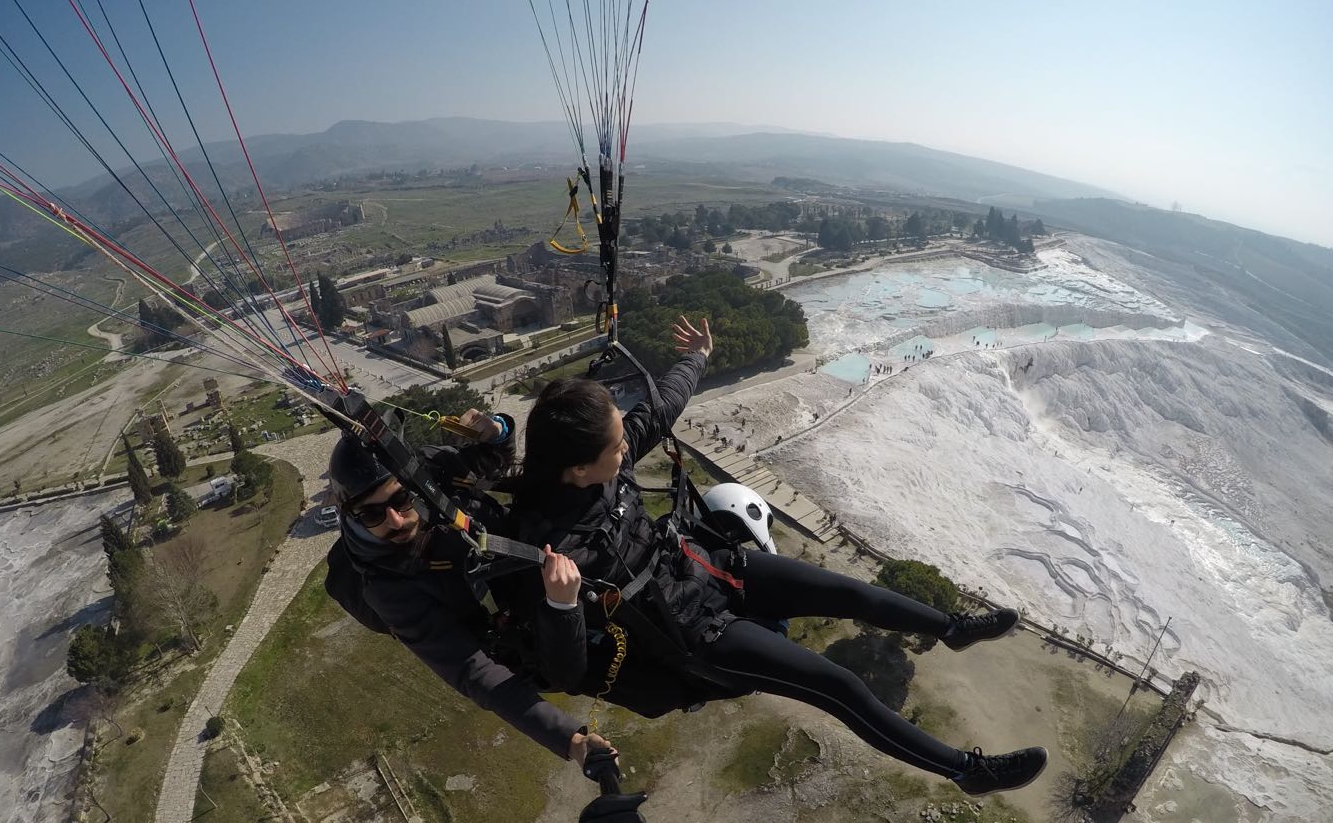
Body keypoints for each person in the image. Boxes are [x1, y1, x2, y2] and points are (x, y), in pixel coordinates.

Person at [507, 317, 1046, 797]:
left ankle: (952, 628)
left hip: (713, 565)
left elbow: (660, 409)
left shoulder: (601, 463)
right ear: (578, 468)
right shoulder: (548, 546)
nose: (626, 450)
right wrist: (560, 606)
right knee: (839, 687)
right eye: (617, 448)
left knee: (853, 593)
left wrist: (697, 357)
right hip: (696, 633)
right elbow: (566, 670)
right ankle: (965, 771)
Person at [323, 409, 615, 768]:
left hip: (518, 564)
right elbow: (474, 673)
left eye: (400, 500)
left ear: (415, 485)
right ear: (350, 516)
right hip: (498, 619)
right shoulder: (387, 587)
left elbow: (494, 459)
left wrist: (498, 428)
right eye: (372, 515)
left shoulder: (432, 470)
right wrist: (571, 740)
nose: (395, 520)